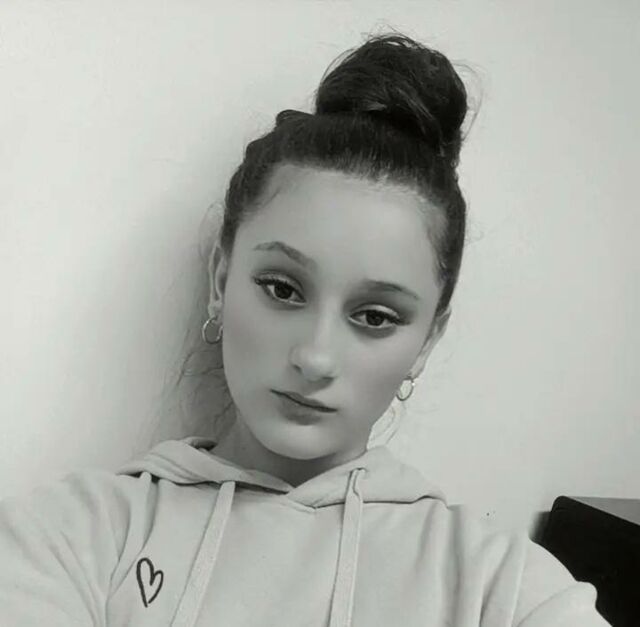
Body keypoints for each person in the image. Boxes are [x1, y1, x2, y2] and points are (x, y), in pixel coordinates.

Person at [0, 32, 610, 626]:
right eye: (282, 289)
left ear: (427, 340)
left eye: (375, 317)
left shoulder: (498, 585)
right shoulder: (72, 536)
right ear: (221, 280)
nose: (315, 358)